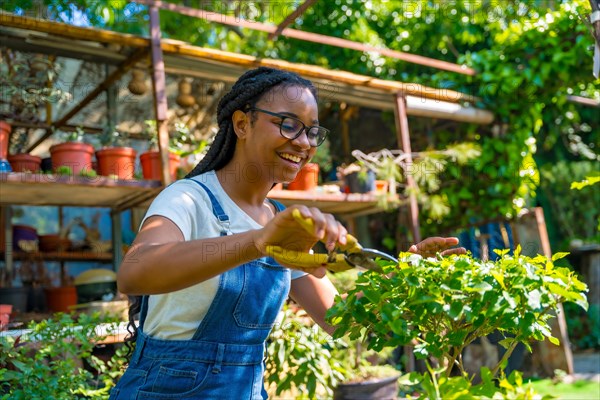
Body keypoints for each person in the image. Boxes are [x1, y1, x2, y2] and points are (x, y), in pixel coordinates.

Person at [111, 66, 464, 399]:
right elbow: (134, 273)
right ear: (242, 123)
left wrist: (408, 279)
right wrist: (259, 242)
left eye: (312, 132)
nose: (305, 143)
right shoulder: (188, 199)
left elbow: (342, 321)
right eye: (289, 125)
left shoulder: (282, 223)